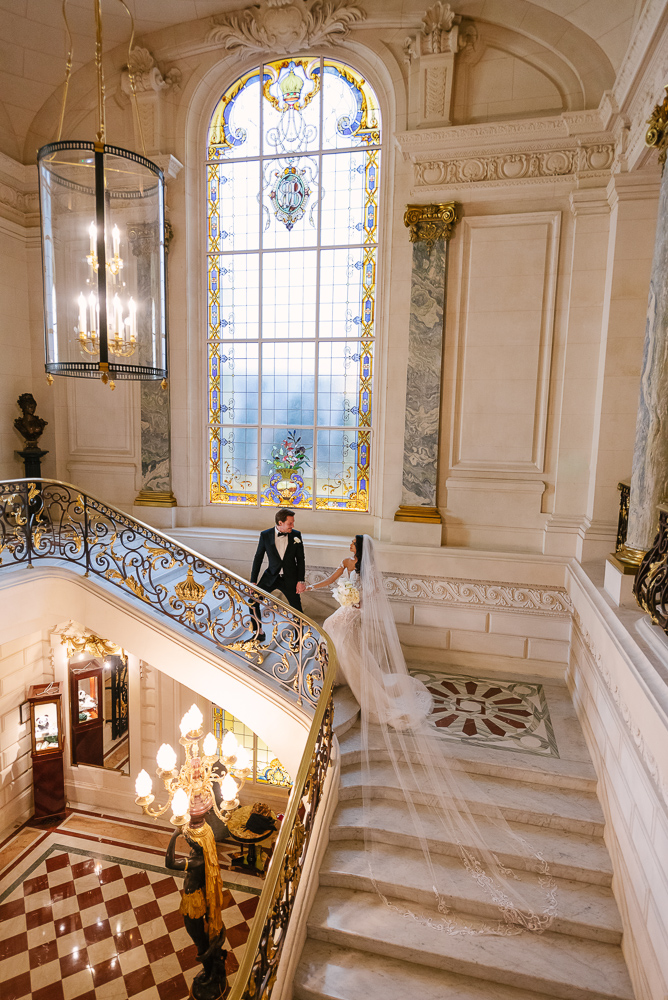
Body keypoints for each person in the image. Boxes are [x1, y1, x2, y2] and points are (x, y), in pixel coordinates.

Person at [305, 534, 558, 936]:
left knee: (348, 647)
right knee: (341, 644)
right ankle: (344, 679)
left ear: (360, 552)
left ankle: (367, 694)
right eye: (351, 551)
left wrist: (351, 607)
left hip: (347, 619)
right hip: (340, 618)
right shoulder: (346, 565)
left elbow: (366, 603)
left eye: (353, 550)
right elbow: (330, 581)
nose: (350, 554)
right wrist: (313, 589)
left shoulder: (367, 577)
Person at [250, 508, 306, 639]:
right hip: (271, 576)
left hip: (290, 578)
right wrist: (253, 580)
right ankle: (259, 633)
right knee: (253, 602)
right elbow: (258, 557)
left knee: (298, 610)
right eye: (290, 523)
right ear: (280, 523)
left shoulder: (296, 535)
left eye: (293, 523)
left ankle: (298, 640)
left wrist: (300, 581)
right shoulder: (265, 535)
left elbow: (301, 560)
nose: (293, 526)